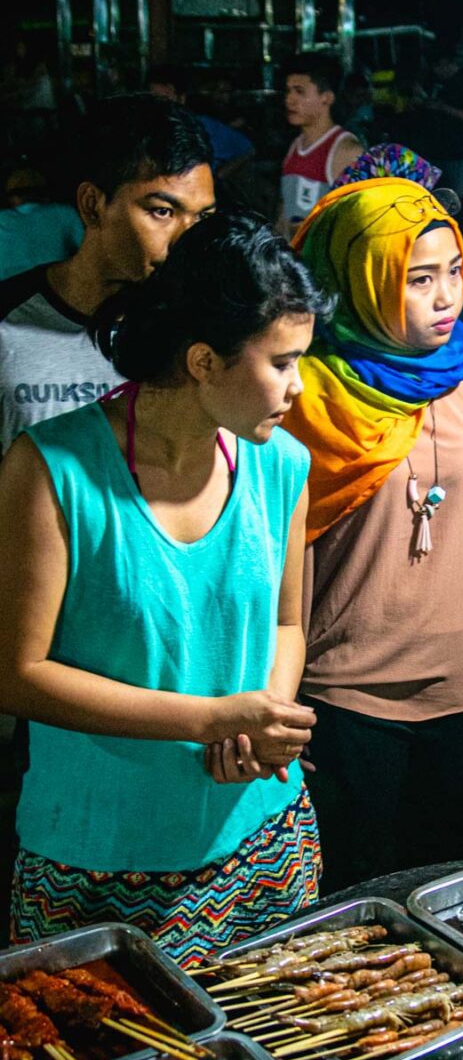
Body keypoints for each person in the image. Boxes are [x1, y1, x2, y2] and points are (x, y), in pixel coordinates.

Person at [0, 212, 329, 968]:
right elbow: (16, 673)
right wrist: (210, 720)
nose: (298, 387)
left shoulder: (282, 465)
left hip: (264, 841)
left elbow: (287, 625)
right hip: (99, 856)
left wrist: (260, 727)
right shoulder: (52, 469)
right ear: (204, 360)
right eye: (282, 362)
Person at [281, 178, 463, 892]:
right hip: (343, 700)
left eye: (455, 272)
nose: (446, 297)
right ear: (361, 277)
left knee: (449, 892)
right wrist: (274, 697)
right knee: (354, 899)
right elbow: (264, 566)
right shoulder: (305, 393)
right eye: (418, 279)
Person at [0, 92, 215, 458]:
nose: (186, 241)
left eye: (202, 218)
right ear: (92, 205)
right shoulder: (9, 320)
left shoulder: (203, 329)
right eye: (162, 212)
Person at [275, 54, 362, 239]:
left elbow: (355, 225)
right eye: (288, 91)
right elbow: (285, 215)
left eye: (299, 92)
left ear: (326, 98)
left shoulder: (346, 151)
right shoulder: (295, 147)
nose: (289, 99)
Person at [147, 64, 255, 181]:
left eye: (165, 100)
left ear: (181, 98)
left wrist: (217, 179)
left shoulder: (202, 127)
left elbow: (247, 149)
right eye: (153, 100)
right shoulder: (146, 132)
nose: (160, 107)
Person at [413, 44, 463, 198]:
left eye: (438, 66)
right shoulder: (433, 80)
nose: (436, 71)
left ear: (447, 63)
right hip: (434, 150)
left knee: (458, 197)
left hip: (457, 151)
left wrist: (444, 108)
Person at [0, 164, 83, 282]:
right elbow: (86, 249)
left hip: (10, 290)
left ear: (13, 197)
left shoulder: (2, 219)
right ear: (44, 194)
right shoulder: (64, 213)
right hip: (54, 286)